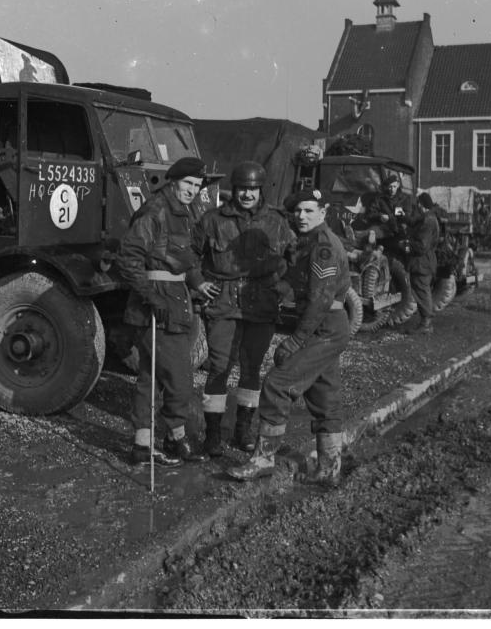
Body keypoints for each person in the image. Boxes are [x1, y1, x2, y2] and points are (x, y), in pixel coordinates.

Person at [227, 189, 351, 488]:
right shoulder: (307, 242)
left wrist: (295, 341)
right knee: (324, 395)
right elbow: (298, 281)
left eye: (309, 211)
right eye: (298, 211)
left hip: (324, 325)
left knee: (278, 383)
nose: (302, 216)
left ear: (323, 212)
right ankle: (329, 467)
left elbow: (320, 300)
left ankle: (263, 459)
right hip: (327, 325)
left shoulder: (323, 247)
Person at [117, 156, 222, 466]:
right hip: (157, 306)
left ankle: (142, 445)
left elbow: (182, 259)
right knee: (180, 379)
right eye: (188, 183)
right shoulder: (156, 211)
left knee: (150, 378)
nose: (193, 189)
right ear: (173, 181)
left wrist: (197, 282)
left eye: (197, 184)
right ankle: (176, 438)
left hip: (175, 301)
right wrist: (151, 297)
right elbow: (128, 258)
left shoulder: (182, 213)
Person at [192, 160, 295, 457]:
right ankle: (212, 435)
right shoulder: (212, 220)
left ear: (260, 189)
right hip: (223, 303)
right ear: (234, 189)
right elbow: (189, 253)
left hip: (261, 303)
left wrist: (286, 286)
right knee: (219, 368)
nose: (247, 194)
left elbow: (297, 256)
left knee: (252, 370)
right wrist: (197, 281)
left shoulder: (277, 221)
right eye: (242, 189)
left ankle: (243, 431)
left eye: (253, 189)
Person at [407, 192, 440, 334]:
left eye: (419, 203)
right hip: (426, 261)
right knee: (423, 290)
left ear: (422, 204)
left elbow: (421, 245)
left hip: (422, 262)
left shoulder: (428, 221)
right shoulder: (430, 218)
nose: (417, 206)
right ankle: (425, 322)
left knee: (422, 290)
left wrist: (407, 244)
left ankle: (426, 324)